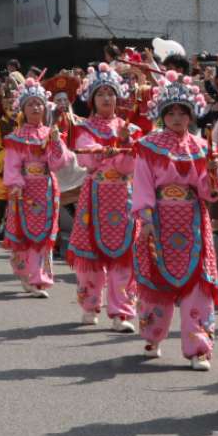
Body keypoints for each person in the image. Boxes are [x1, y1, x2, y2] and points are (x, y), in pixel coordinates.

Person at [129, 74, 218, 370]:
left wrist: (214, 173)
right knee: (157, 280)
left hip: (193, 219)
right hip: (159, 219)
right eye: (171, 113)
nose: (177, 118)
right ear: (162, 115)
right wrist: (146, 219)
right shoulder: (148, 146)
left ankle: (198, 348)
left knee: (198, 284)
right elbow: (142, 183)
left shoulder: (202, 146)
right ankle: (153, 335)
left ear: (191, 115)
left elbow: (207, 192)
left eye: (183, 112)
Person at [66, 64, 141, 327]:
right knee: (91, 256)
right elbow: (86, 157)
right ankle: (90, 305)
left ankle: (122, 312)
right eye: (101, 94)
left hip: (124, 196)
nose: (106, 98)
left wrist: (125, 143)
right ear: (92, 99)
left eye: (110, 93)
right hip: (95, 196)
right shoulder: (85, 128)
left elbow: (131, 166)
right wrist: (108, 150)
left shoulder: (129, 129)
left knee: (125, 256)